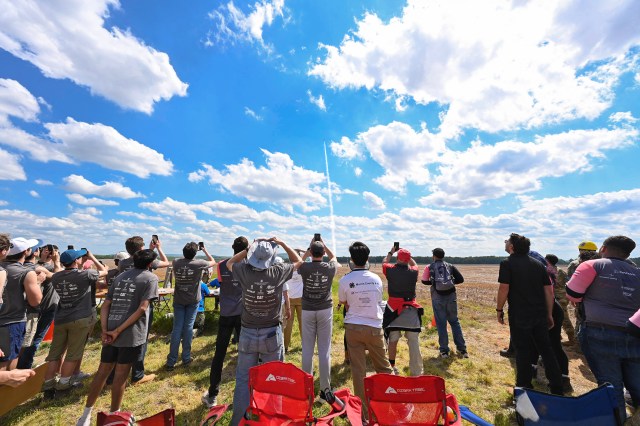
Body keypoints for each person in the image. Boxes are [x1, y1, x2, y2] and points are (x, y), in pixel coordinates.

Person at [77, 249, 159, 426]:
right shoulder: (150, 278)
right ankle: (115, 415)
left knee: (102, 373)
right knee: (121, 375)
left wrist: (106, 329)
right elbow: (143, 308)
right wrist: (119, 331)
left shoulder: (121, 276)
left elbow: (106, 304)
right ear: (150, 264)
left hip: (111, 328)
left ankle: (85, 416)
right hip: (131, 333)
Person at [227, 237, 302, 425]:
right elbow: (298, 261)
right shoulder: (277, 272)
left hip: (247, 332)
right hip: (271, 333)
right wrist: (283, 244)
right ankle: (271, 420)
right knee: (274, 380)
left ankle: (239, 421)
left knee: (243, 379)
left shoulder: (244, 271)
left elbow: (229, 263)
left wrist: (248, 249)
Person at [566, 235, 640, 422]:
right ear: (628, 253)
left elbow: (573, 294)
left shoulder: (592, 265)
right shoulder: (637, 272)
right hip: (634, 333)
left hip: (598, 331)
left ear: (603, 249)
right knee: (637, 383)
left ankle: (617, 420)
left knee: (610, 385)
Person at [495, 233, 563, 395]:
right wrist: (549, 314)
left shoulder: (507, 263)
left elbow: (504, 288)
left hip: (520, 314)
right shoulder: (538, 264)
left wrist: (499, 310)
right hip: (539, 313)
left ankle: (524, 388)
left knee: (523, 351)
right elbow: (548, 291)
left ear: (511, 247)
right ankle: (557, 387)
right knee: (546, 350)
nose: (505, 243)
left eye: (507, 241)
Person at [339, 241, 393, 420]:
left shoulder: (345, 280)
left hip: (353, 327)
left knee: (358, 370)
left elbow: (345, 302)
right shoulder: (376, 278)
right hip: (374, 327)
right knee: (384, 368)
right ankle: (390, 406)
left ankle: (362, 415)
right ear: (368, 259)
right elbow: (378, 300)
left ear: (351, 260)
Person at [41, 248, 106, 394]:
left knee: (55, 354)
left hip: (61, 318)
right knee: (73, 353)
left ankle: (48, 386)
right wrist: (91, 256)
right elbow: (104, 271)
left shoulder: (57, 277)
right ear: (76, 261)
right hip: (80, 318)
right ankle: (64, 385)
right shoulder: (86, 274)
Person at [110, 235, 169, 385]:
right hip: (141, 303)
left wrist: (148, 249)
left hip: (123, 303)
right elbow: (166, 263)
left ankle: (113, 372)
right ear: (142, 248)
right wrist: (158, 248)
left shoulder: (122, 263)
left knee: (120, 337)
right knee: (141, 338)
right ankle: (138, 374)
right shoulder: (148, 266)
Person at [202, 237, 248, 408]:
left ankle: (213, 394)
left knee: (219, 354)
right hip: (243, 314)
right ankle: (247, 394)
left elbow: (222, 284)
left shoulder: (221, 265)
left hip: (226, 313)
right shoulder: (248, 266)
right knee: (246, 354)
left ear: (232, 248)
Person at [299, 238, 339, 400]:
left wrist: (310, 247)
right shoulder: (330, 267)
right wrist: (324, 244)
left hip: (308, 309)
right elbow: (334, 257)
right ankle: (325, 390)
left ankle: (306, 388)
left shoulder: (304, 267)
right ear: (323, 253)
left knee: (307, 349)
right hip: (324, 309)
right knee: (324, 350)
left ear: (310, 252)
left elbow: (298, 261)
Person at [166, 242, 216, 370]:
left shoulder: (176, 262)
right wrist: (204, 250)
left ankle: (171, 361)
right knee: (188, 328)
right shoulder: (199, 264)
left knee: (177, 329)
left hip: (178, 300)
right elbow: (212, 261)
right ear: (195, 253)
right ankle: (186, 358)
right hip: (193, 301)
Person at [0, 237, 44, 371]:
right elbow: (35, 301)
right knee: (9, 361)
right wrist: (39, 282)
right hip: (12, 321)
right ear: (26, 252)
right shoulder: (26, 272)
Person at [18, 244, 63, 370]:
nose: (50, 253)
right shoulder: (37, 267)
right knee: (32, 340)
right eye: (46, 250)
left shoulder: (54, 267)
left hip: (48, 308)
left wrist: (56, 262)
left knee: (31, 339)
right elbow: (57, 276)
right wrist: (56, 261)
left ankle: (22, 365)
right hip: (37, 309)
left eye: (53, 251)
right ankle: (24, 367)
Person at [382, 245, 423, 375]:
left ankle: (392, 367)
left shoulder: (390, 270)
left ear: (397, 258)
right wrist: (408, 257)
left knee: (393, 339)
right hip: (411, 309)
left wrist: (391, 252)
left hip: (393, 310)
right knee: (413, 341)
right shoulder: (414, 272)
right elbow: (415, 265)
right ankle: (416, 372)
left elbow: (385, 262)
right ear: (408, 259)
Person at [546, 254, 576, 344]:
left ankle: (572, 339)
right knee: (557, 317)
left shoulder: (549, 271)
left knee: (563, 318)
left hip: (558, 297)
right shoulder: (560, 270)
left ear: (547, 261)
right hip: (563, 296)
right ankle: (557, 336)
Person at [283, 249, 305, 353]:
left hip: (289, 299)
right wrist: (303, 251)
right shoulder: (303, 268)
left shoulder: (287, 268)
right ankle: (305, 345)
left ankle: (285, 346)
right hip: (301, 299)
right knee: (303, 324)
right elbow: (304, 258)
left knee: (287, 325)